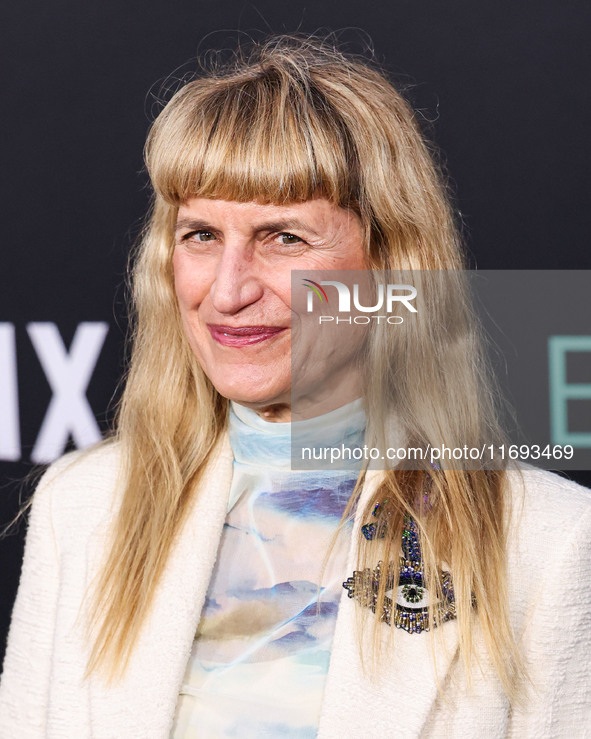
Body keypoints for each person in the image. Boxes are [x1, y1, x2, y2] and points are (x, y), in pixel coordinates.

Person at [1, 34, 590, 738]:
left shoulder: (546, 539)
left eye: (283, 237)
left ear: (390, 262)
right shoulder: (83, 504)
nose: (228, 290)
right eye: (200, 235)